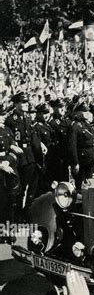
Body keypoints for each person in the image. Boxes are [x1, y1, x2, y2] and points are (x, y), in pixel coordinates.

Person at [5, 92, 42, 221]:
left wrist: (40, 145)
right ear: (16, 104)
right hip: (17, 157)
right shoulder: (10, 120)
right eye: (23, 102)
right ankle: (17, 216)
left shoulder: (27, 117)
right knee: (18, 190)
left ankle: (26, 213)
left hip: (29, 156)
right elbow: (7, 138)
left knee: (30, 187)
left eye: (27, 102)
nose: (26, 105)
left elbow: (32, 136)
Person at [68, 102, 94, 188]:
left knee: (90, 182)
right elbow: (72, 146)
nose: (87, 113)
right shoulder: (74, 126)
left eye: (87, 111)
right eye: (84, 111)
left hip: (90, 157)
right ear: (78, 112)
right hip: (82, 158)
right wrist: (75, 163)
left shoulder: (86, 124)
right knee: (80, 184)